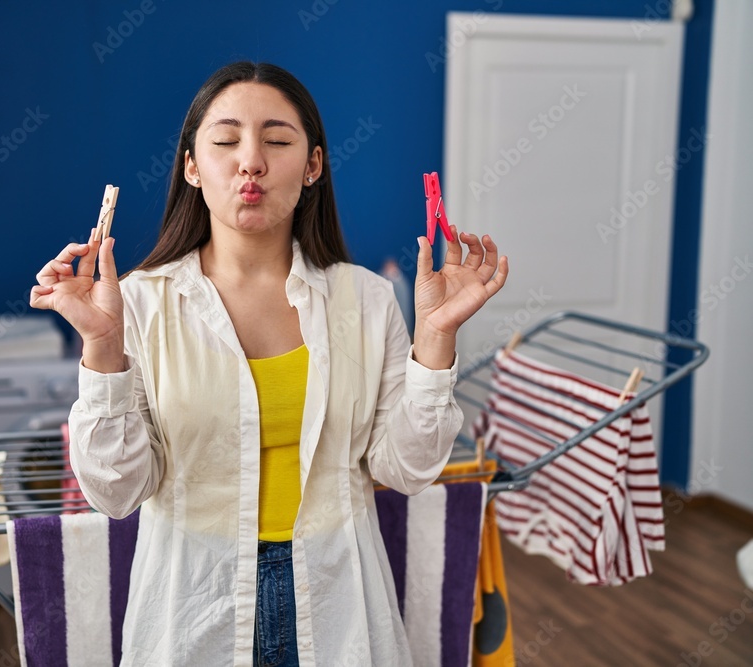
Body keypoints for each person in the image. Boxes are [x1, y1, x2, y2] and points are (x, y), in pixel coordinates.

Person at [30, 61, 508, 666]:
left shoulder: (366, 299)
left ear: (313, 165)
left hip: (339, 601)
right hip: (191, 605)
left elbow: (407, 470)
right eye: (226, 141)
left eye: (277, 140)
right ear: (192, 166)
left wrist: (436, 338)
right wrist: (102, 347)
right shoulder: (140, 302)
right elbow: (118, 492)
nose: (250, 161)